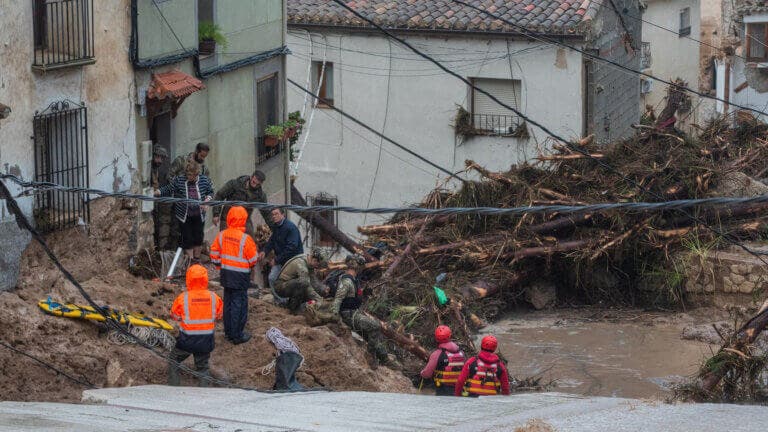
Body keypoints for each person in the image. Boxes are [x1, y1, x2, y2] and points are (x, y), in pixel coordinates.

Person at [309, 254, 390, 366]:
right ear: (357, 267)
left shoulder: (353, 280)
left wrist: (365, 294)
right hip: (348, 315)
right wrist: (335, 319)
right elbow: (338, 299)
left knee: (370, 334)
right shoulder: (346, 281)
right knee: (375, 326)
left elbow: (354, 299)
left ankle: (384, 358)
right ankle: (370, 356)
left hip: (354, 312)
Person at [168, 264, 223, 387]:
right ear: (205, 279)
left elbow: (175, 316)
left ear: (189, 279)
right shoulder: (214, 297)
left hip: (187, 340)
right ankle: (203, 395)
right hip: (206, 340)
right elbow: (219, 316)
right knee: (203, 368)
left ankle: (173, 390)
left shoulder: (183, 298)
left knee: (173, 360)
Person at [210, 206, 259, 344]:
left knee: (228, 303)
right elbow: (253, 259)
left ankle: (228, 332)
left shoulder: (222, 235)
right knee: (239, 304)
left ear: (229, 218)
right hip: (241, 276)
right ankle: (237, 335)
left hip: (226, 274)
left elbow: (213, 255)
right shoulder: (246, 239)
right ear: (243, 219)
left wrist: (221, 265)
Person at [156, 158, 214, 262]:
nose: (189, 177)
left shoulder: (204, 180)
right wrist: (158, 192)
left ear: (197, 174)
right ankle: (190, 262)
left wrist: (206, 201)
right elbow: (169, 188)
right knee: (187, 238)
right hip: (184, 215)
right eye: (188, 175)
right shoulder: (180, 179)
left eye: (191, 175)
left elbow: (211, 192)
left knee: (198, 237)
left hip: (199, 214)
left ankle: (196, 260)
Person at [212, 170, 272, 235]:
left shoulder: (260, 195)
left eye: (257, 184)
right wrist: (216, 214)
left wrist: (274, 227)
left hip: (245, 221)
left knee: (251, 241)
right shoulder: (235, 184)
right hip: (228, 218)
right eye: (253, 182)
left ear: (261, 184)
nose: (254, 186)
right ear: (251, 177)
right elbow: (220, 195)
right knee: (226, 239)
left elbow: (266, 213)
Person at [272, 247, 326, 313]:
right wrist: (318, 299)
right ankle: (293, 309)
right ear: (314, 259)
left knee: (314, 288)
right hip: (280, 286)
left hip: (290, 284)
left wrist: (323, 289)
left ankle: (289, 304)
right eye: (318, 263)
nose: (318, 266)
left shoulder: (309, 263)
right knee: (303, 283)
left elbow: (314, 281)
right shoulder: (301, 263)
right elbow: (307, 285)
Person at [260, 208, 304, 288]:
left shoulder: (290, 228)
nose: (274, 216)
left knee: (287, 282)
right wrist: (265, 251)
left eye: (276, 214)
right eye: (273, 214)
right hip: (281, 260)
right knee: (272, 278)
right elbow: (272, 240)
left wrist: (276, 260)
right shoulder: (276, 227)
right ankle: (280, 300)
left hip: (292, 261)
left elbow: (291, 247)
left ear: (283, 214)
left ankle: (286, 300)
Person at [420, 325, 466, 396]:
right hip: (459, 389)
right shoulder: (461, 352)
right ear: (450, 336)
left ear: (436, 338)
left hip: (443, 390)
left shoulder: (437, 354)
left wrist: (422, 373)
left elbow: (427, 374)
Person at [149, 145, 176, 251]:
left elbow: (170, 186)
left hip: (163, 204)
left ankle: (162, 250)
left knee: (163, 229)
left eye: (162, 158)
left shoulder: (165, 170)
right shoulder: (150, 168)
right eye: (157, 157)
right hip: (152, 204)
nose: (159, 160)